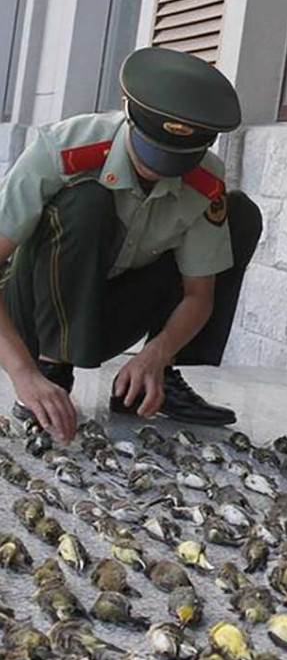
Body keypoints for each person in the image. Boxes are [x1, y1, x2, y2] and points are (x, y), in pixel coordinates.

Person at [0, 47, 262, 442]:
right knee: (85, 201)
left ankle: (152, 383)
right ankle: (51, 371)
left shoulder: (205, 180)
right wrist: (23, 374)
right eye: (151, 155)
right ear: (128, 113)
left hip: (106, 310)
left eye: (175, 162)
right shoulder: (66, 148)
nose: (159, 171)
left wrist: (157, 353)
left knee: (240, 215)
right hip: (31, 314)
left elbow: (199, 295)